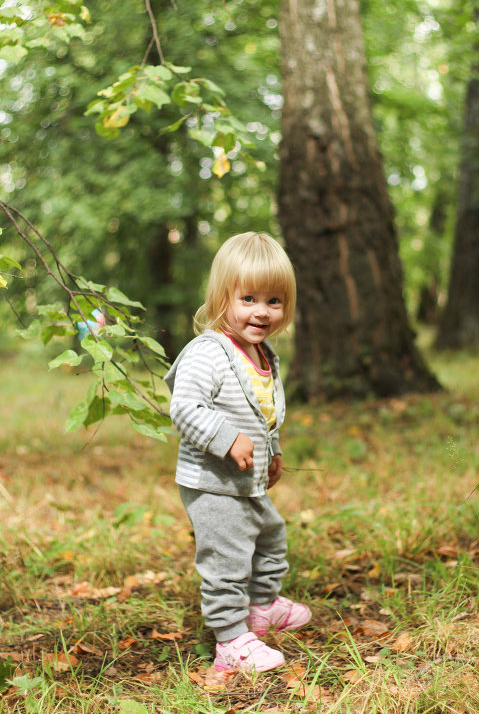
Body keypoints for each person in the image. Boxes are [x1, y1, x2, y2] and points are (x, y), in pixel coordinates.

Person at [165, 232, 311, 673]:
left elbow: (264, 415)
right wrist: (226, 437)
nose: (262, 311)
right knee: (226, 561)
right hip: (212, 485)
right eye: (248, 298)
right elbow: (183, 407)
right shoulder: (208, 353)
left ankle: (260, 608)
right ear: (221, 297)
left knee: (270, 537)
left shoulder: (263, 354)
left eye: (274, 300)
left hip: (245, 481)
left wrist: (275, 451)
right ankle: (230, 641)